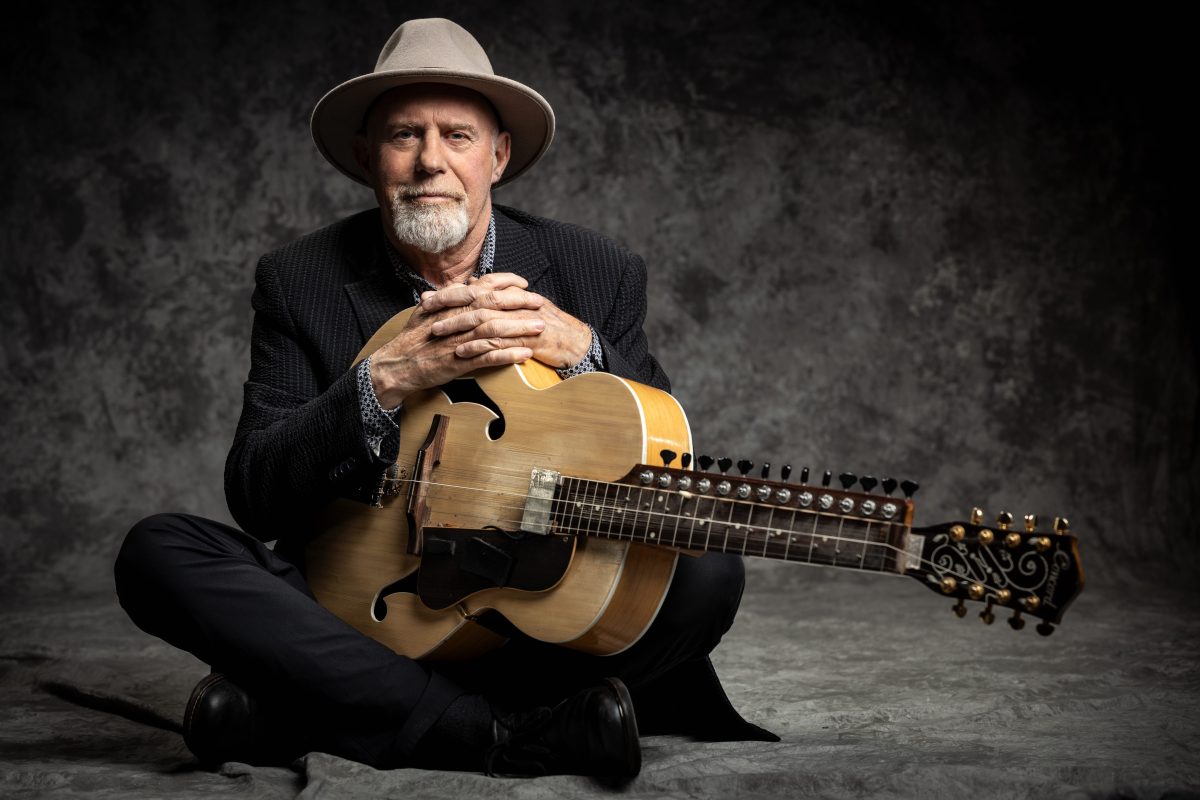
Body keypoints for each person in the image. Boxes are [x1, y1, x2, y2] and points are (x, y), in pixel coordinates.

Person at [114, 17, 776, 779]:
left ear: (499, 155)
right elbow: (258, 497)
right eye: (404, 134)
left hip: (525, 622)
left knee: (704, 565)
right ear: (368, 158)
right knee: (159, 552)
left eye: (457, 136)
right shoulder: (299, 279)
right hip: (360, 606)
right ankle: (496, 733)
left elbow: (662, 455)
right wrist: (381, 381)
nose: (430, 160)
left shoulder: (596, 268)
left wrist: (582, 351)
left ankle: (329, 709)